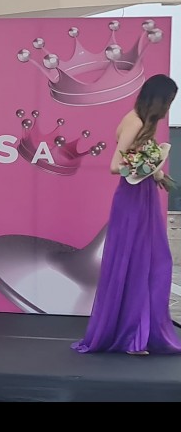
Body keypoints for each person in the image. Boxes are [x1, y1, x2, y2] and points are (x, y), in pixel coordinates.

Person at [73, 73, 181, 355]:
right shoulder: (134, 121)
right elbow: (115, 165)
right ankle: (132, 336)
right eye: (168, 101)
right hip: (132, 198)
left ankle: (142, 332)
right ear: (158, 99)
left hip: (143, 196)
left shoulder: (142, 122)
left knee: (152, 262)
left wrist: (156, 174)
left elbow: (137, 158)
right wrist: (147, 168)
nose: (169, 107)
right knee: (136, 263)